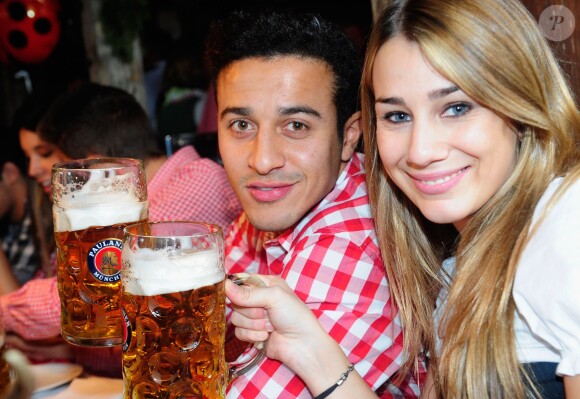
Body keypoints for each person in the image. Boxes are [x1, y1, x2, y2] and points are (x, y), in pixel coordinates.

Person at [225, 0, 580, 398]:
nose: (420, 151)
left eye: (456, 107)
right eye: (398, 116)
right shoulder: (459, 271)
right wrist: (308, 346)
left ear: (522, 105)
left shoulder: (566, 227)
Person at [205, 9, 420, 398]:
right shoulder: (279, 204)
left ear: (350, 135)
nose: (263, 159)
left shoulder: (352, 240)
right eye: (241, 125)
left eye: (297, 126)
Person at [1, 83, 242, 372]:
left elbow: (95, 294)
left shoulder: (193, 184)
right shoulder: (111, 217)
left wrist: (5, 312)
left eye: (57, 160)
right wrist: (70, 348)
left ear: (95, 160)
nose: (36, 171)